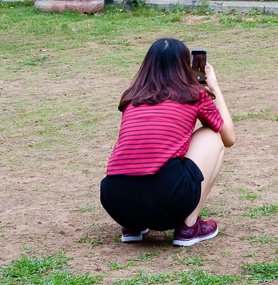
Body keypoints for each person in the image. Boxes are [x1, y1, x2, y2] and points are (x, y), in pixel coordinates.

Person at [100, 37, 236, 246]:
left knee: (140, 148)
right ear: (185, 67)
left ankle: (133, 226)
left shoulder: (132, 98)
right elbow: (229, 138)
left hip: (116, 202)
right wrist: (214, 88)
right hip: (166, 200)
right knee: (212, 136)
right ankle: (189, 226)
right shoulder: (194, 95)